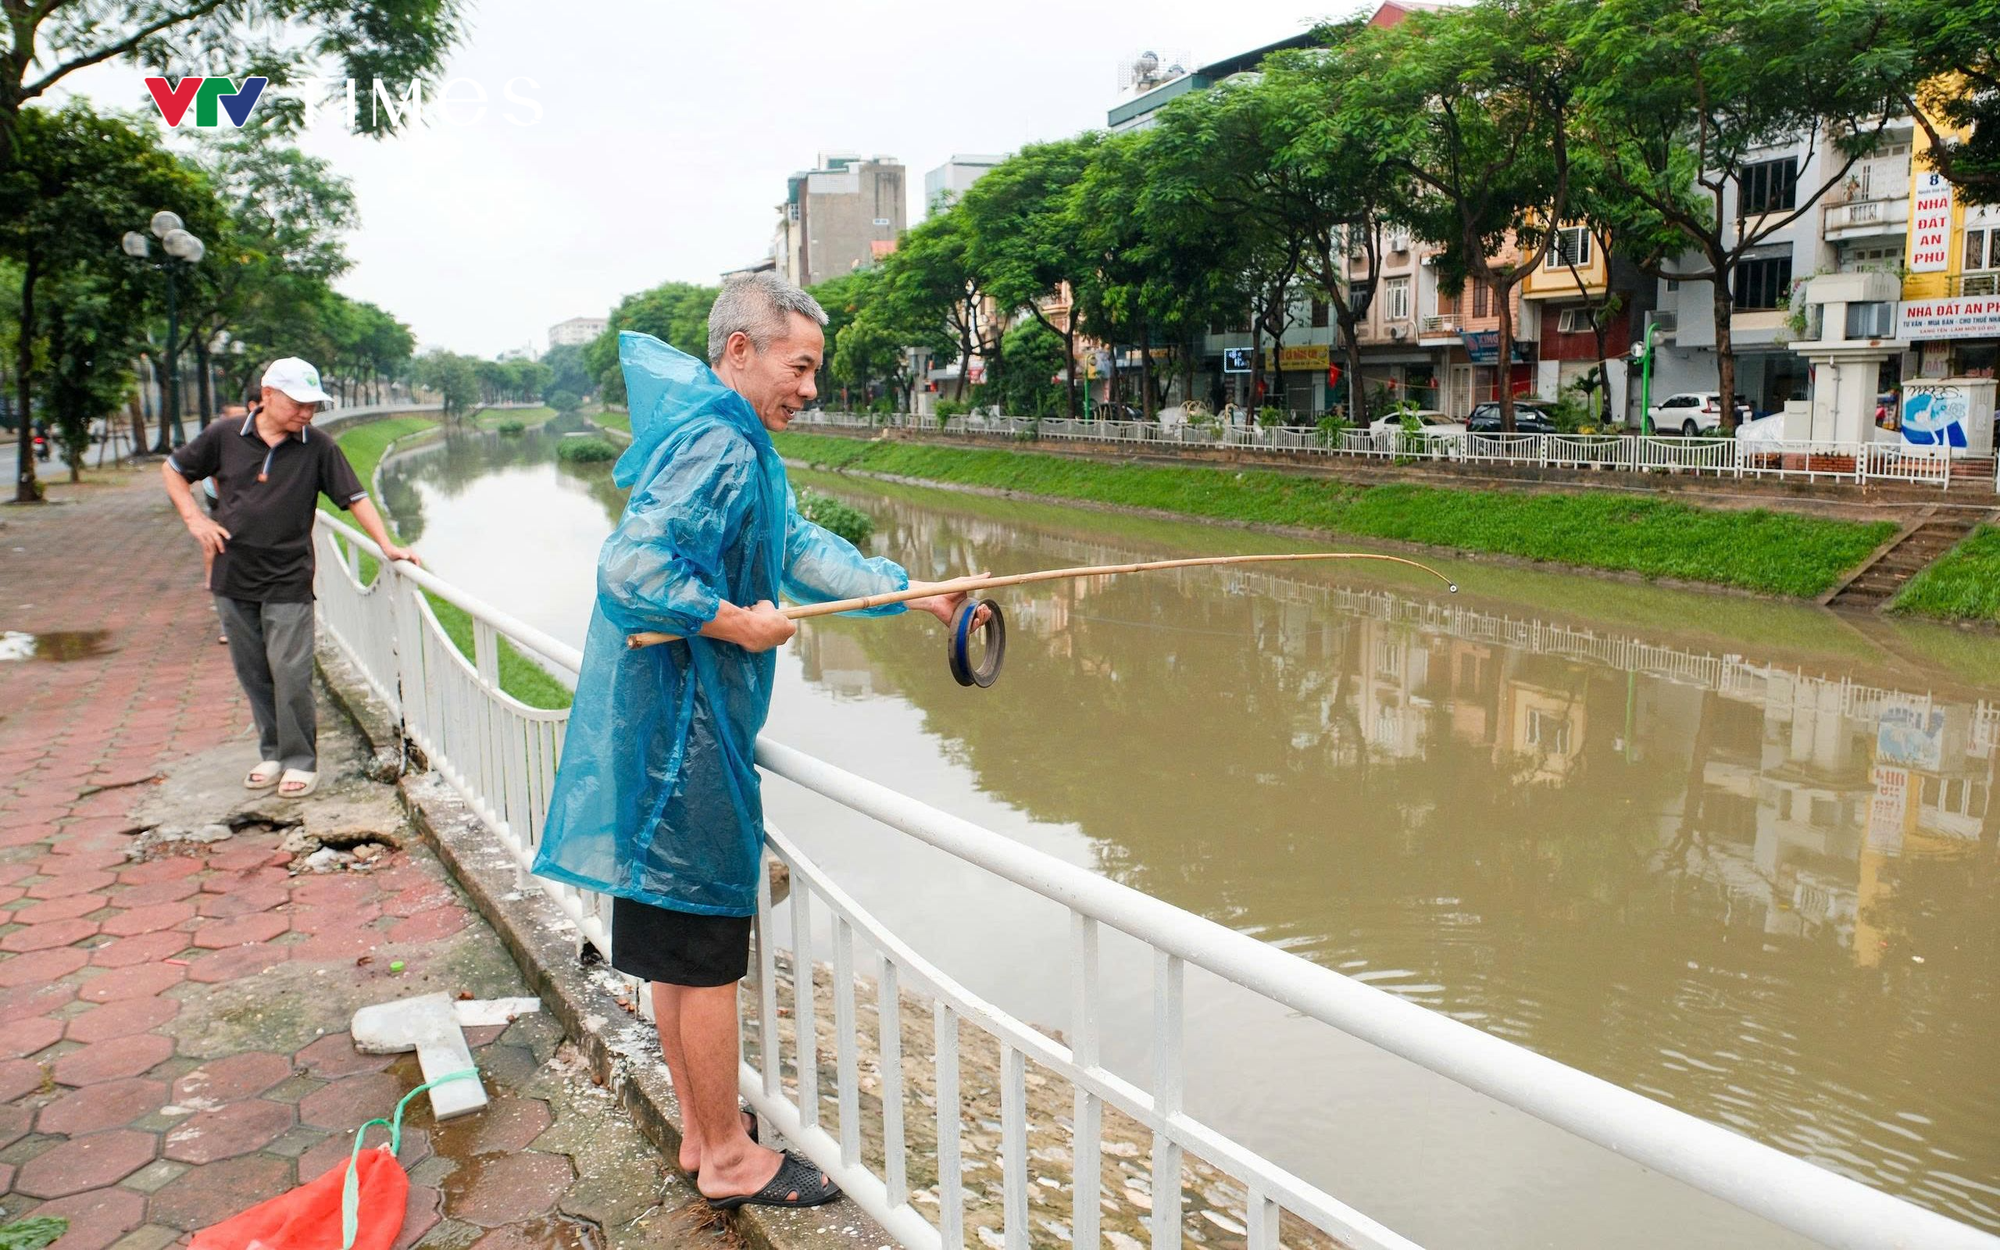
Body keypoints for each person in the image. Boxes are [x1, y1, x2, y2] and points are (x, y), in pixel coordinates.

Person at [533, 274, 986, 1211]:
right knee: (705, 961)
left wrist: (912, 593)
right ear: (740, 350)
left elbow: (797, 545)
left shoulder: (726, 439)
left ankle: (704, 1136)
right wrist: (736, 622)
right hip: (687, 744)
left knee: (673, 953)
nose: (811, 389)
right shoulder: (719, 443)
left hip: (662, 735)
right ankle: (732, 1161)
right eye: (801, 366)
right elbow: (632, 568)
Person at [161, 358, 419, 798]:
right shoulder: (224, 435)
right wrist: (193, 519)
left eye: (313, 405)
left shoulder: (317, 446)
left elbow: (354, 497)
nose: (307, 412)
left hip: (288, 576)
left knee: (291, 673)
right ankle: (273, 753)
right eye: (298, 403)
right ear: (268, 396)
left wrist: (386, 545)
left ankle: (301, 760)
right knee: (254, 673)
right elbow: (174, 469)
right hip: (232, 575)